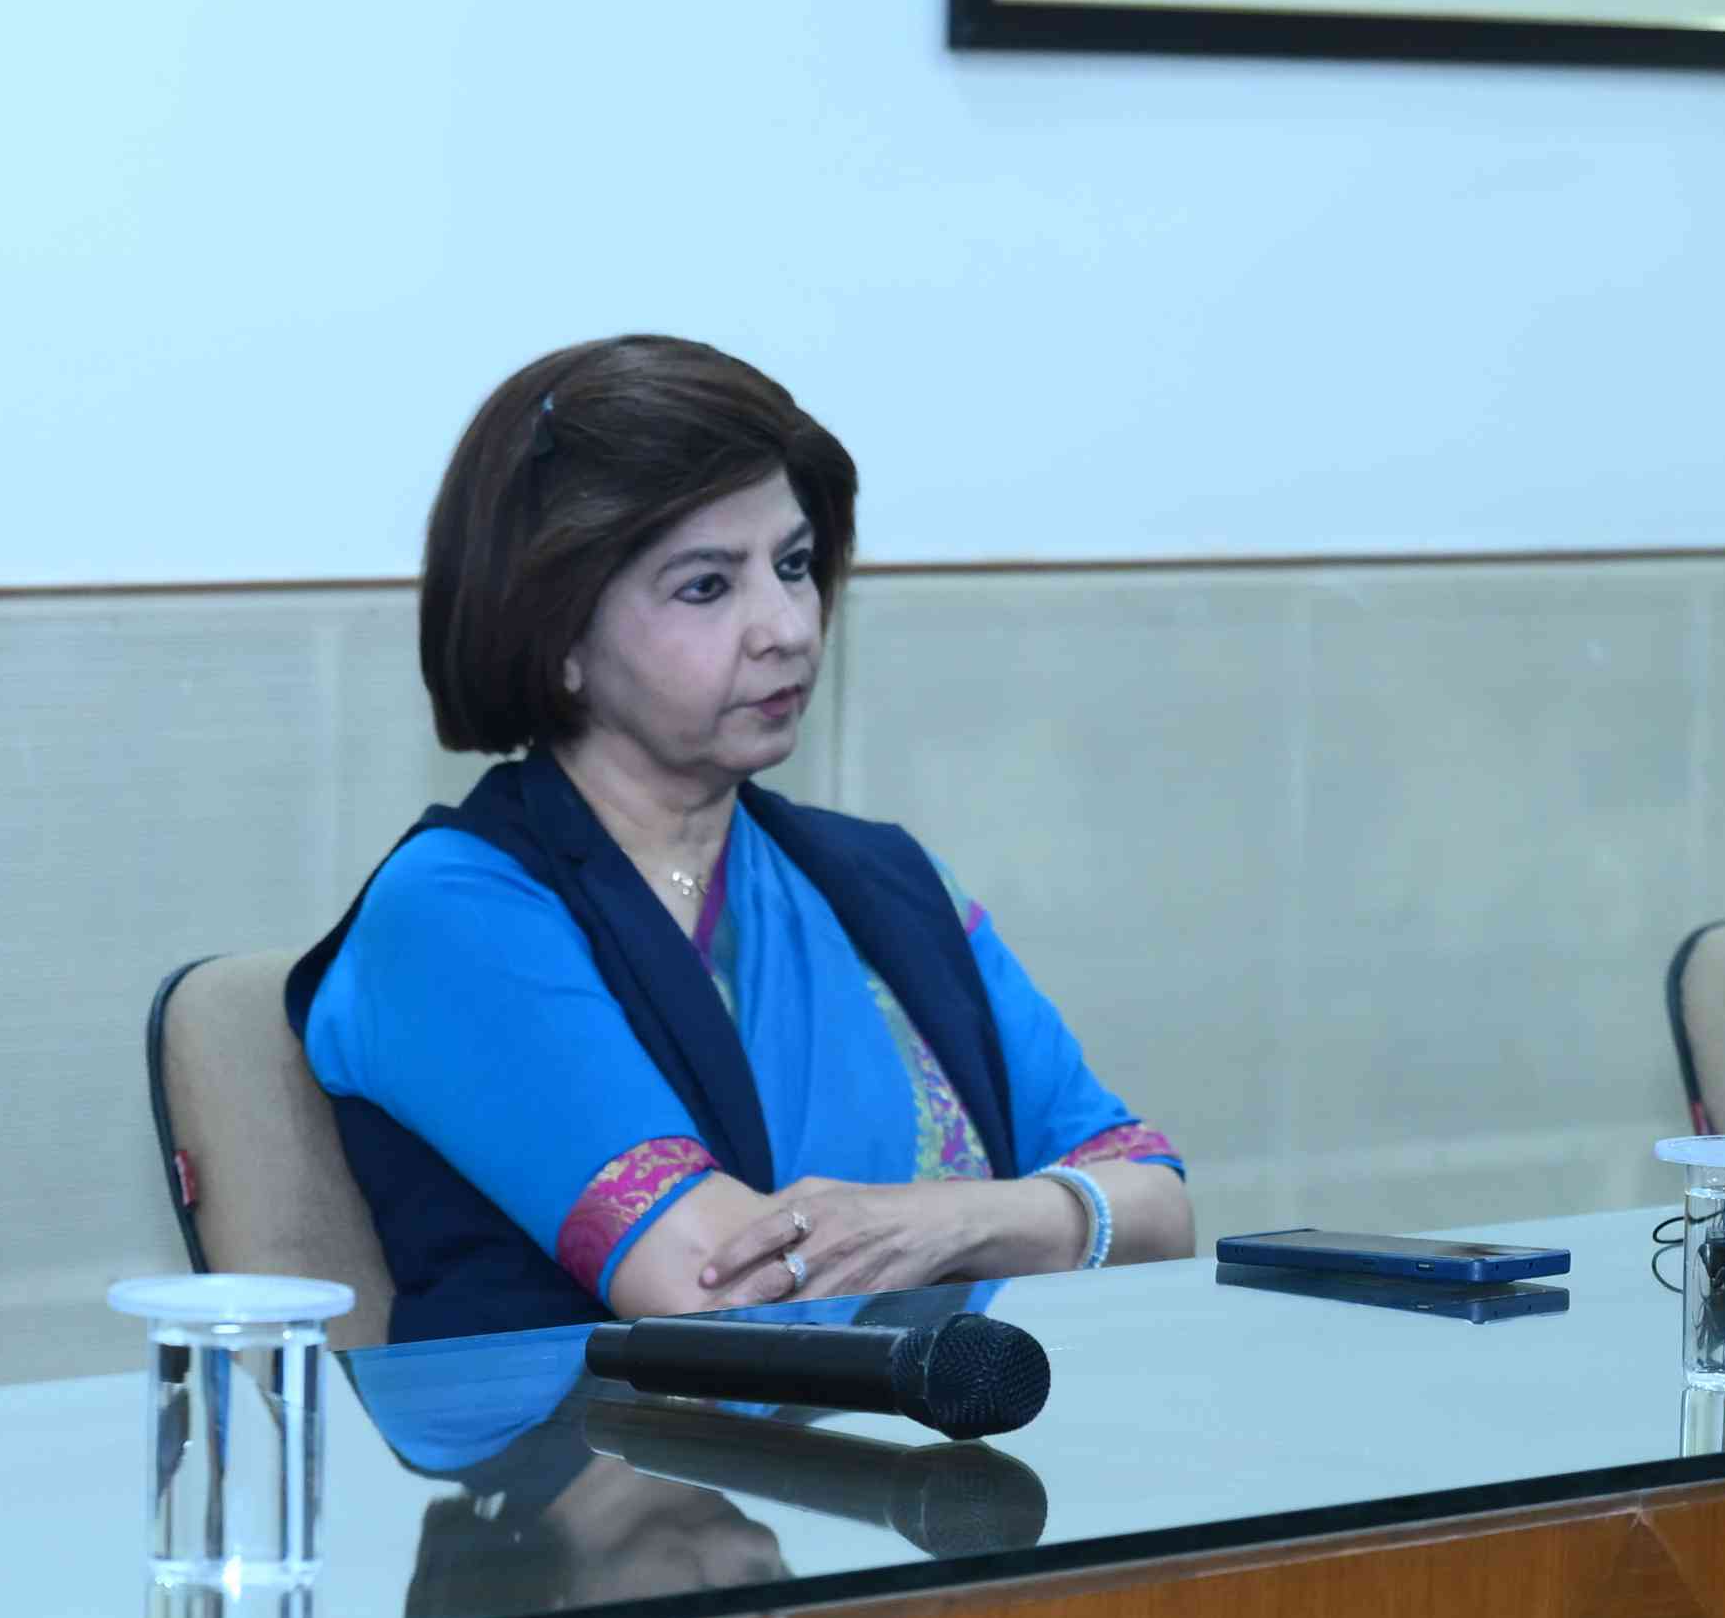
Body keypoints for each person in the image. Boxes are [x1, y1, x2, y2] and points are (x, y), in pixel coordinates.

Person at [291, 336, 1190, 1342]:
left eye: (794, 566)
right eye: (707, 587)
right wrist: (1040, 1219)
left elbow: (1157, 1211)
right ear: (559, 639)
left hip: (949, 1432)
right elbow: (722, 1289)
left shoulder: (886, 882)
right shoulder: (453, 913)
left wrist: (950, 1220)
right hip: (592, 1442)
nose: (789, 627)